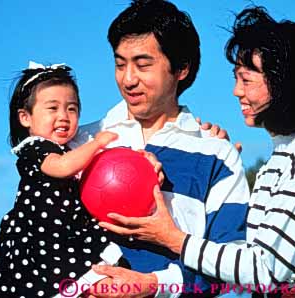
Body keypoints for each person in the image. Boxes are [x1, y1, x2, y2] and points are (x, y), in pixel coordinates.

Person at [98, 6, 295, 298]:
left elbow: (265, 271)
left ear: (284, 83)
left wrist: (173, 238)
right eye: (236, 78)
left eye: (246, 80)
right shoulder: (283, 156)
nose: (235, 91)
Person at [70, 0, 250, 296]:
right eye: (119, 64)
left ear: (181, 68)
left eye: (143, 65)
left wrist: (156, 284)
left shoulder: (217, 155)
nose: (128, 79)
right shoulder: (82, 143)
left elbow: (233, 268)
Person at [0, 62, 162, 298]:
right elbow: (62, 167)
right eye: (53, 108)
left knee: (101, 282)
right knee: (82, 283)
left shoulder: (69, 148)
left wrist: (139, 160)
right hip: (47, 239)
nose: (63, 116)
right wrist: (97, 143)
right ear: (25, 117)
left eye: (72, 109)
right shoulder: (33, 148)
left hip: (69, 233)